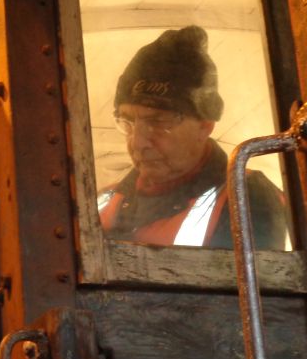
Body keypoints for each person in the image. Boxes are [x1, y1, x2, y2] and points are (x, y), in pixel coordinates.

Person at [97, 25, 287, 249]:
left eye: (159, 122)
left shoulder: (246, 197)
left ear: (205, 125)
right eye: (127, 122)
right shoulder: (101, 201)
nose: (137, 142)